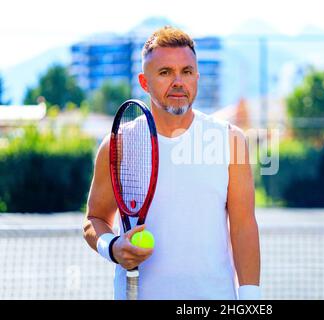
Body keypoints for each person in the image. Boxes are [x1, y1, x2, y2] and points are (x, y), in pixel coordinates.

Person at [83, 26, 261, 300]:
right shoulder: (117, 145)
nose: (178, 81)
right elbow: (94, 220)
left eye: (187, 72)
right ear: (144, 82)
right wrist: (114, 247)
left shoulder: (230, 140)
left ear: (197, 77)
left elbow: (244, 226)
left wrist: (251, 300)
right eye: (165, 72)